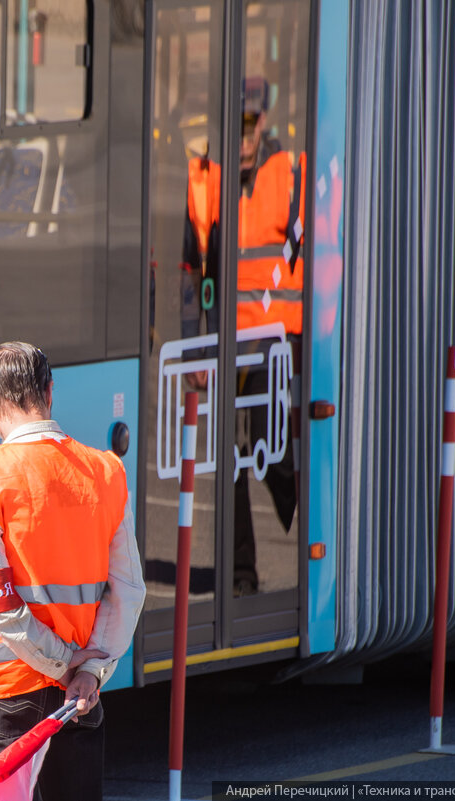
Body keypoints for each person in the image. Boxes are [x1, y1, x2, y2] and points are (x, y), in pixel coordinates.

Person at [0, 341, 146, 801]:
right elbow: (128, 589)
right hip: (80, 698)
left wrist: (61, 666)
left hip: (5, 696)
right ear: (50, 391)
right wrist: (91, 670)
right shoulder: (106, 473)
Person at [180, 76, 304, 595]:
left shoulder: (289, 171)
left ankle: (301, 503)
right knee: (229, 459)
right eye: (237, 126)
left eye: (252, 125)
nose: (245, 137)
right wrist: (192, 349)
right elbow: (191, 271)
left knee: (266, 444)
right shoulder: (204, 178)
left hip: (281, 339)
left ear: (264, 123)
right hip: (227, 344)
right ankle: (241, 575)